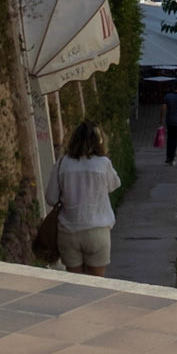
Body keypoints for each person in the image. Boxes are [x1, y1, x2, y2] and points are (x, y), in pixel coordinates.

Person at [48, 119, 122, 277]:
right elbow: (114, 184)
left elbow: (51, 198)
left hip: (69, 232)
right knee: (97, 285)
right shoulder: (103, 163)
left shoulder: (62, 164)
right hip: (97, 231)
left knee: (76, 285)